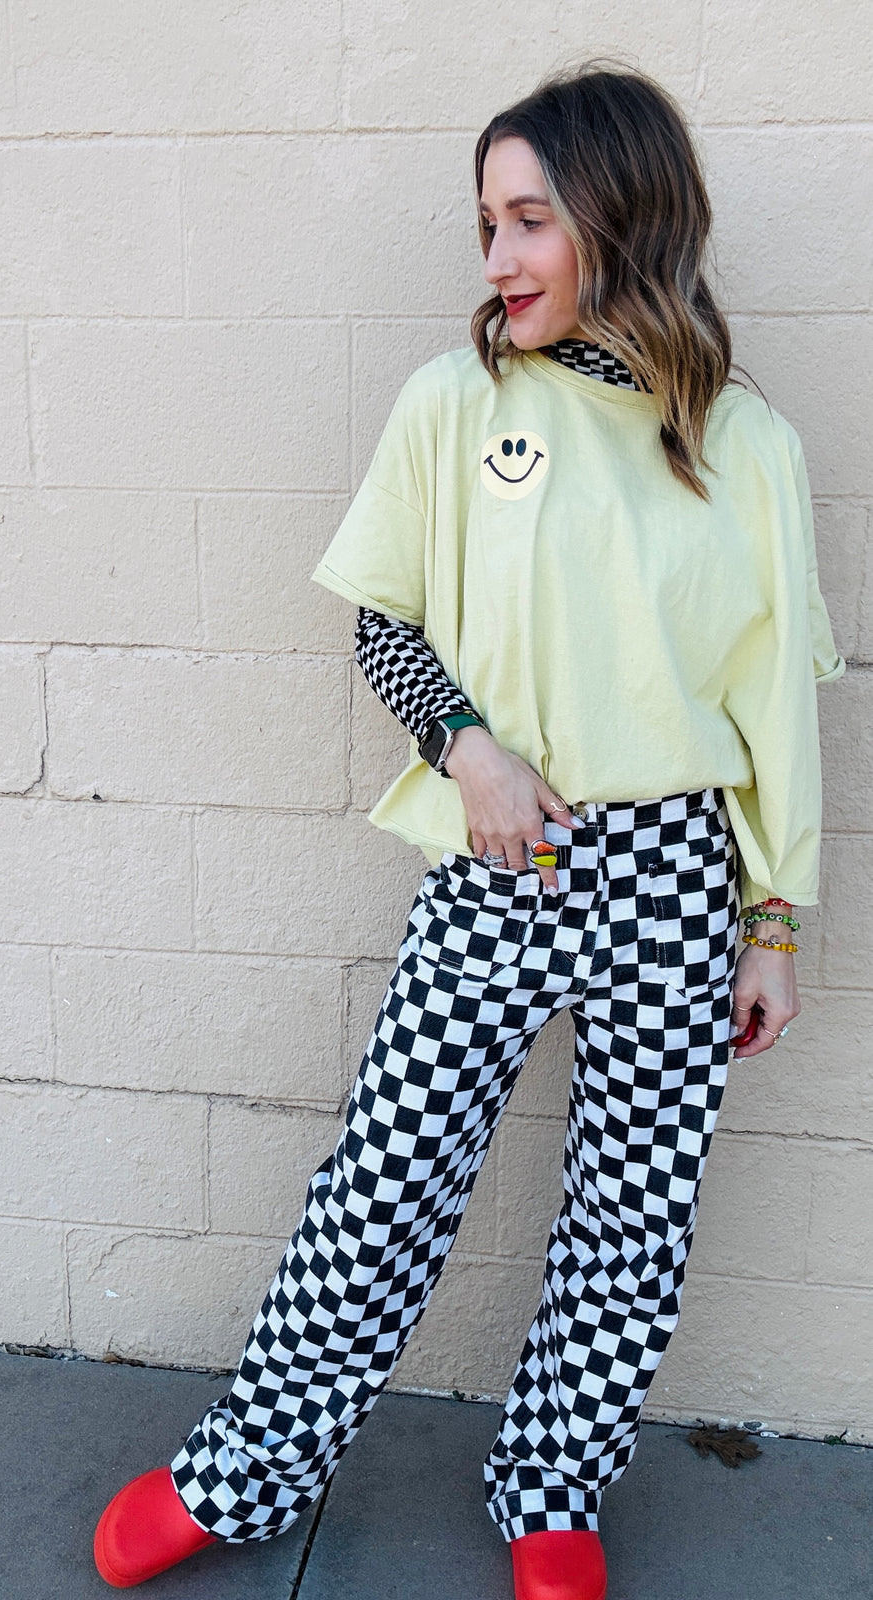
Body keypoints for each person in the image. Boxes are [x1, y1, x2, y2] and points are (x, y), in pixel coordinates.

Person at [92, 61, 845, 1599]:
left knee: (633, 1218)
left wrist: (770, 921)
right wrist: (467, 750)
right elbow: (382, 620)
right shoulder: (459, 402)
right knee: (386, 1181)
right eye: (484, 225)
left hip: (674, 879)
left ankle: (552, 1489)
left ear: (622, 224)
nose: (496, 261)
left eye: (527, 223)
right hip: (498, 861)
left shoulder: (748, 448)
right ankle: (249, 1466)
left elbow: (777, 716)